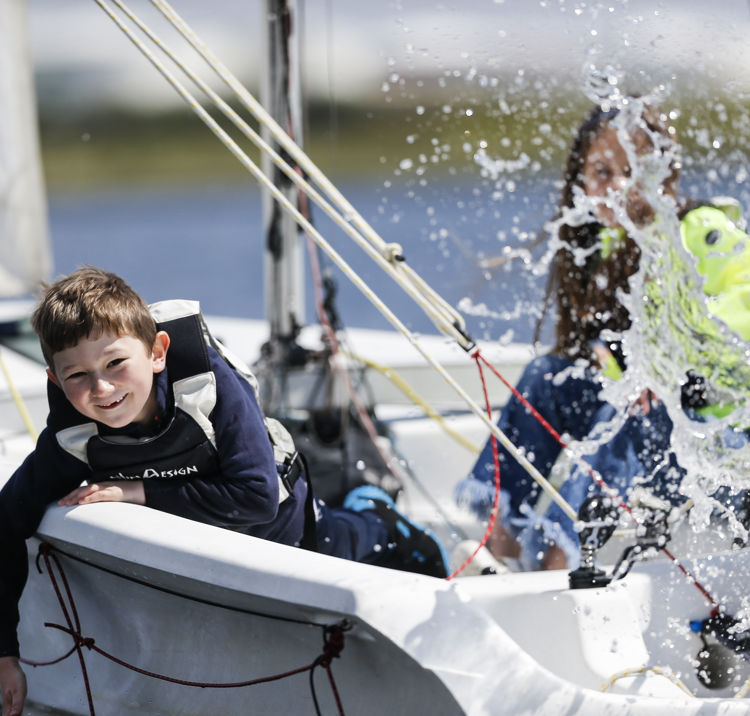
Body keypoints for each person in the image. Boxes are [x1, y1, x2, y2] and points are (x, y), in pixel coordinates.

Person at [0, 267, 449, 716]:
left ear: (157, 352)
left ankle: (377, 510)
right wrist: (5, 653)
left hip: (288, 533)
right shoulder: (72, 436)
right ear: (56, 381)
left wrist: (138, 491)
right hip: (213, 558)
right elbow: (6, 521)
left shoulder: (207, 384)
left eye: (116, 363)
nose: (101, 388)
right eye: (77, 375)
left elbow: (256, 497)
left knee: (383, 544)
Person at [455, 98, 750, 571]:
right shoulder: (607, 246)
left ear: (663, 175)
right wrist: (612, 359)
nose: (615, 188)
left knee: (630, 405)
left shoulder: (703, 232)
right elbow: (621, 351)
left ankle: (558, 563)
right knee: (545, 378)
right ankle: (500, 549)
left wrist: (675, 364)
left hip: (716, 447)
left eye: (630, 172)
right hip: (648, 429)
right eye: (601, 173)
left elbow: (743, 308)